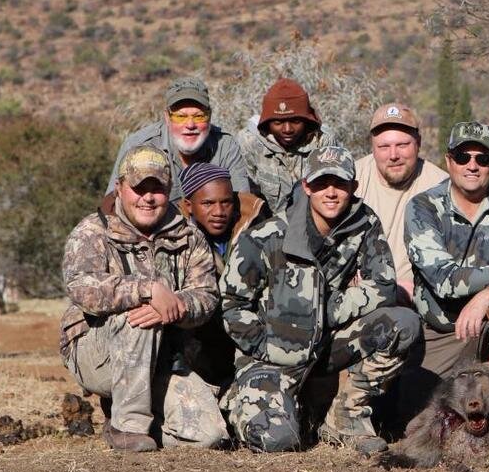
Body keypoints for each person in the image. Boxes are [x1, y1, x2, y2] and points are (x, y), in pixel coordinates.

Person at [219, 146, 420, 454]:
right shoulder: (267, 236)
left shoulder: (364, 224)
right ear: (307, 186)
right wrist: (265, 346)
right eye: (322, 183)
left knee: (402, 324)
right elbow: (233, 304)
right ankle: (254, 403)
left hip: (328, 344)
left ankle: (345, 416)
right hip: (270, 357)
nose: (331, 192)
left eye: (339, 183)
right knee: (279, 441)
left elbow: (383, 285)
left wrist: (329, 310)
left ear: (353, 187)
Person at [60, 146, 227, 452]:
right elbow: (80, 286)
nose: (148, 198)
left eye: (158, 189)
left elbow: (207, 296)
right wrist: (147, 290)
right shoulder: (93, 231)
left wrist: (176, 308)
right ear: (120, 188)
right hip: (98, 355)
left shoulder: (189, 235)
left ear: (169, 190)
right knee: (138, 317)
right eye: (139, 188)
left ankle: (137, 419)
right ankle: (128, 427)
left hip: (165, 357)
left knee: (210, 435)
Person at [405, 122, 489, 395]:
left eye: (482, 158)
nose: (472, 165)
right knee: (414, 406)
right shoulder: (423, 207)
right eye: (463, 157)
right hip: (446, 329)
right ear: (449, 160)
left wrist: (486, 298)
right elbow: (444, 281)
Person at [176, 162, 270, 388]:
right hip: (200, 331)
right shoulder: (174, 234)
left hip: (251, 329)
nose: (218, 212)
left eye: (226, 202)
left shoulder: (259, 224)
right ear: (189, 206)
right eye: (207, 203)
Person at [354, 103, 447, 306]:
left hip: (420, 300)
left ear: (418, 143)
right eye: (384, 147)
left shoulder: (442, 187)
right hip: (358, 296)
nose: (393, 155)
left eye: (402, 145)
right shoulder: (350, 180)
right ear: (372, 147)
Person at [105, 77, 249, 205]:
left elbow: (243, 204)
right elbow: (112, 204)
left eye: (199, 116)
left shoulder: (226, 145)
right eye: (180, 117)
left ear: (209, 116)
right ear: (167, 117)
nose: (190, 125)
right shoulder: (138, 145)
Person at [237, 77, 338, 214]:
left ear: (306, 120)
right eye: (278, 123)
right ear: (267, 123)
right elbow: (245, 196)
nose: (287, 129)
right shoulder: (249, 142)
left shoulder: (323, 141)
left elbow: (332, 191)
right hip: (266, 226)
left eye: (296, 121)